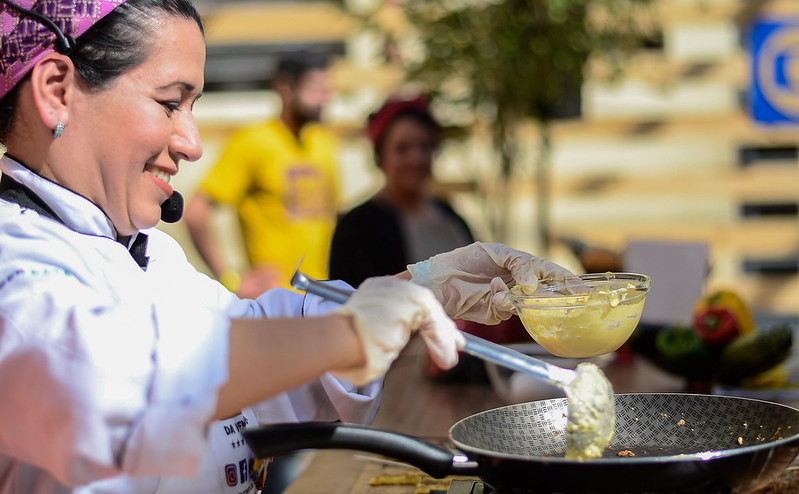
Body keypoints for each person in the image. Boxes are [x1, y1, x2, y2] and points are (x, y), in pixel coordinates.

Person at [0, 0, 578, 492]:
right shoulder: (14, 263)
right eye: (170, 102)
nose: (192, 143)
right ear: (57, 90)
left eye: (193, 106)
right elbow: (113, 384)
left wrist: (426, 285)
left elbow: (265, 354)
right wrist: (346, 333)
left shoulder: (150, 255)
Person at [329, 95, 531, 381]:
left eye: (425, 148)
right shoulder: (358, 226)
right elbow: (347, 306)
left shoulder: (449, 215)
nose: (416, 158)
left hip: (466, 363)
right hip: (394, 375)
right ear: (380, 156)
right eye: (402, 149)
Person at [184, 53, 340, 298]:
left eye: (327, 90)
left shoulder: (323, 143)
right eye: (315, 90)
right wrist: (230, 280)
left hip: (322, 298)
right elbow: (195, 213)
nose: (325, 98)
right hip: (273, 303)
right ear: (285, 88)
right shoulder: (253, 141)